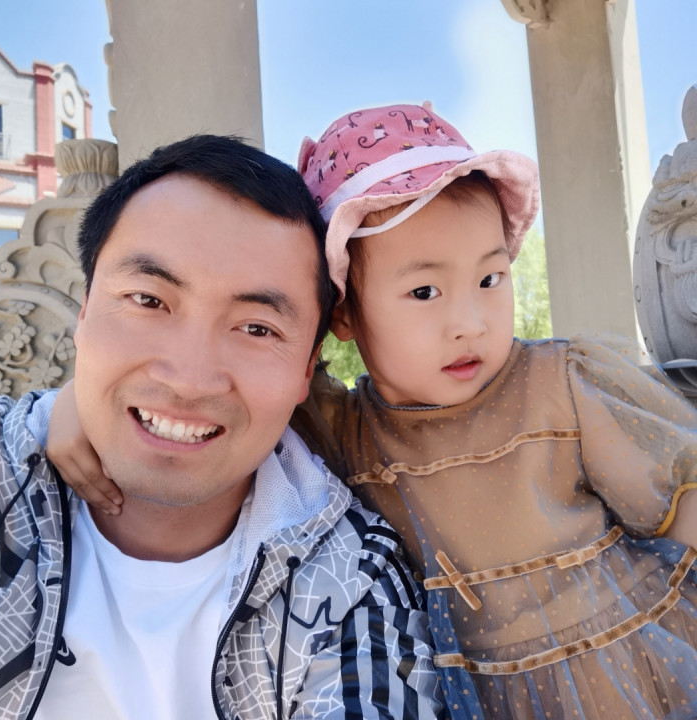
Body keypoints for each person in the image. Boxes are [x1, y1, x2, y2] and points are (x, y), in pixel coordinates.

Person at [48, 106, 697, 719]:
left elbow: (680, 508)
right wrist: (76, 404)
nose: (469, 322)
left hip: (635, 672)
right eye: (424, 291)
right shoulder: (344, 431)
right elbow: (232, 387)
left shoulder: (560, 386)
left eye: (490, 279)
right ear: (345, 316)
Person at [0, 134, 444, 720]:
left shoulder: (353, 583)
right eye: (148, 300)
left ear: (308, 369)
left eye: (257, 329)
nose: (190, 380)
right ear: (86, 308)